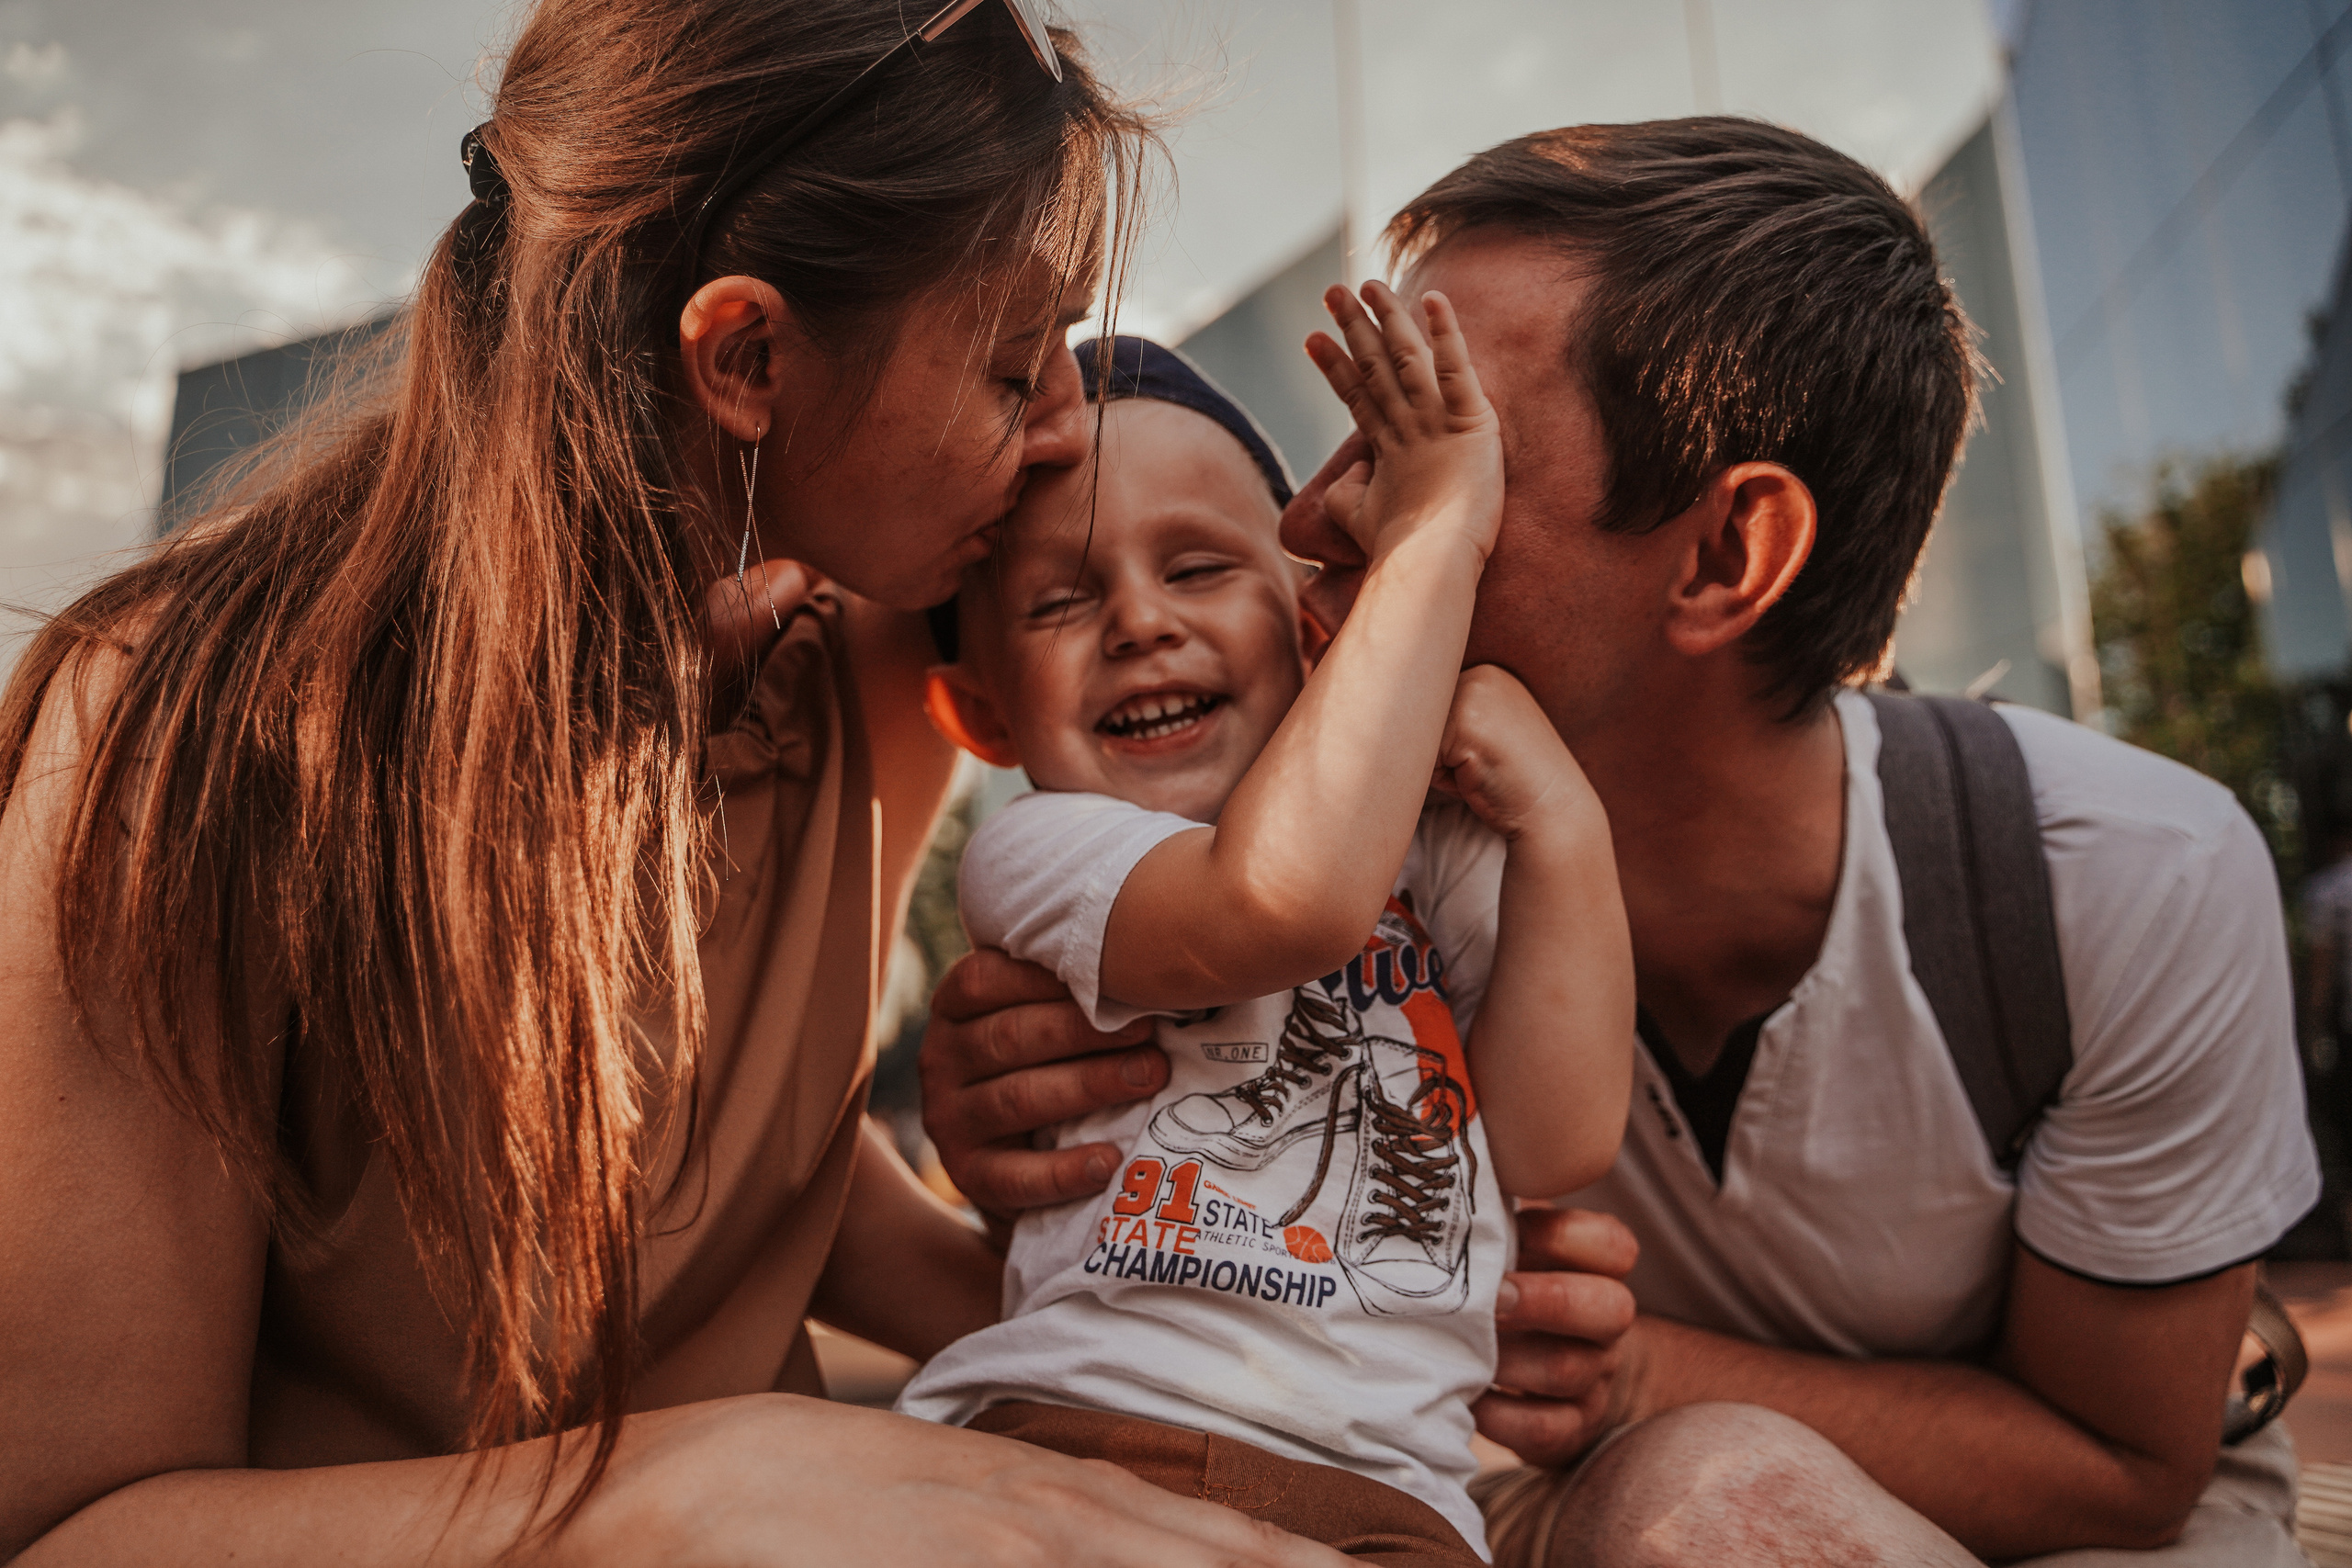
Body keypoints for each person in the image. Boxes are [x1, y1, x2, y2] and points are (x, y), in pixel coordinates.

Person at [0, 3, 1360, 1563]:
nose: (1070, 427)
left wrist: (1268, 1334)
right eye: (1007, 366)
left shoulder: (866, 644)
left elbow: (723, 1163)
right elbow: (74, 1525)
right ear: (749, 357)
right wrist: (677, 1496)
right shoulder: (175, 740)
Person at [919, 118, 2322, 1566]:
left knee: (1721, 1499)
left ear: (1724, 556)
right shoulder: (1365, 840)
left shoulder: (2120, 881)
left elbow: (2130, 1469)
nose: (1319, 518)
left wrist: (1640, 1372)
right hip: (1512, 1502)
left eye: (1441, 455)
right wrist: (1024, 1090)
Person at [899, 321, 1633, 1562]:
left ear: (1311, 633)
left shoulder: (1431, 846)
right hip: (1081, 1438)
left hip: (1391, 1498)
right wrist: (1436, 531)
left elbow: (1555, 1137)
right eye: (1064, 599)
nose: (1139, 621)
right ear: (982, 712)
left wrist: (1566, 826)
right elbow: (1275, 902)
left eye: (1195, 569)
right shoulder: (1043, 853)